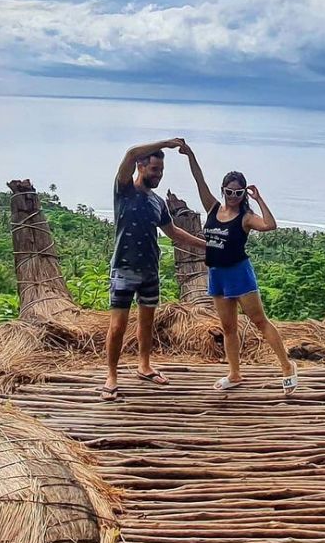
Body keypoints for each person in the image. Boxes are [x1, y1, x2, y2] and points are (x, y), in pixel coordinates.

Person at [180, 141, 299, 394]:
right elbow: (198, 180)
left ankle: (287, 366)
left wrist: (259, 198)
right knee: (228, 328)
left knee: (259, 321)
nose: (234, 197)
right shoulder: (213, 208)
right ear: (223, 190)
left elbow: (270, 225)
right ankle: (234, 374)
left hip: (239, 273)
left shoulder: (245, 217)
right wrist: (190, 155)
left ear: (244, 193)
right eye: (230, 192)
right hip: (217, 274)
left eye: (239, 192)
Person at [101, 138, 208, 401]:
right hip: (124, 268)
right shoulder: (124, 189)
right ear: (140, 166)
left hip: (150, 269)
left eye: (161, 171)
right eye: (154, 170)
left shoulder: (158, 202)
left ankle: (144, 365)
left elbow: (173, 232)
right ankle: (112, 376)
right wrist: (168, 143)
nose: (158, 175)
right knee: (118, 326)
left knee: (147, 323)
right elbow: (129, 152)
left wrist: (207, 246)